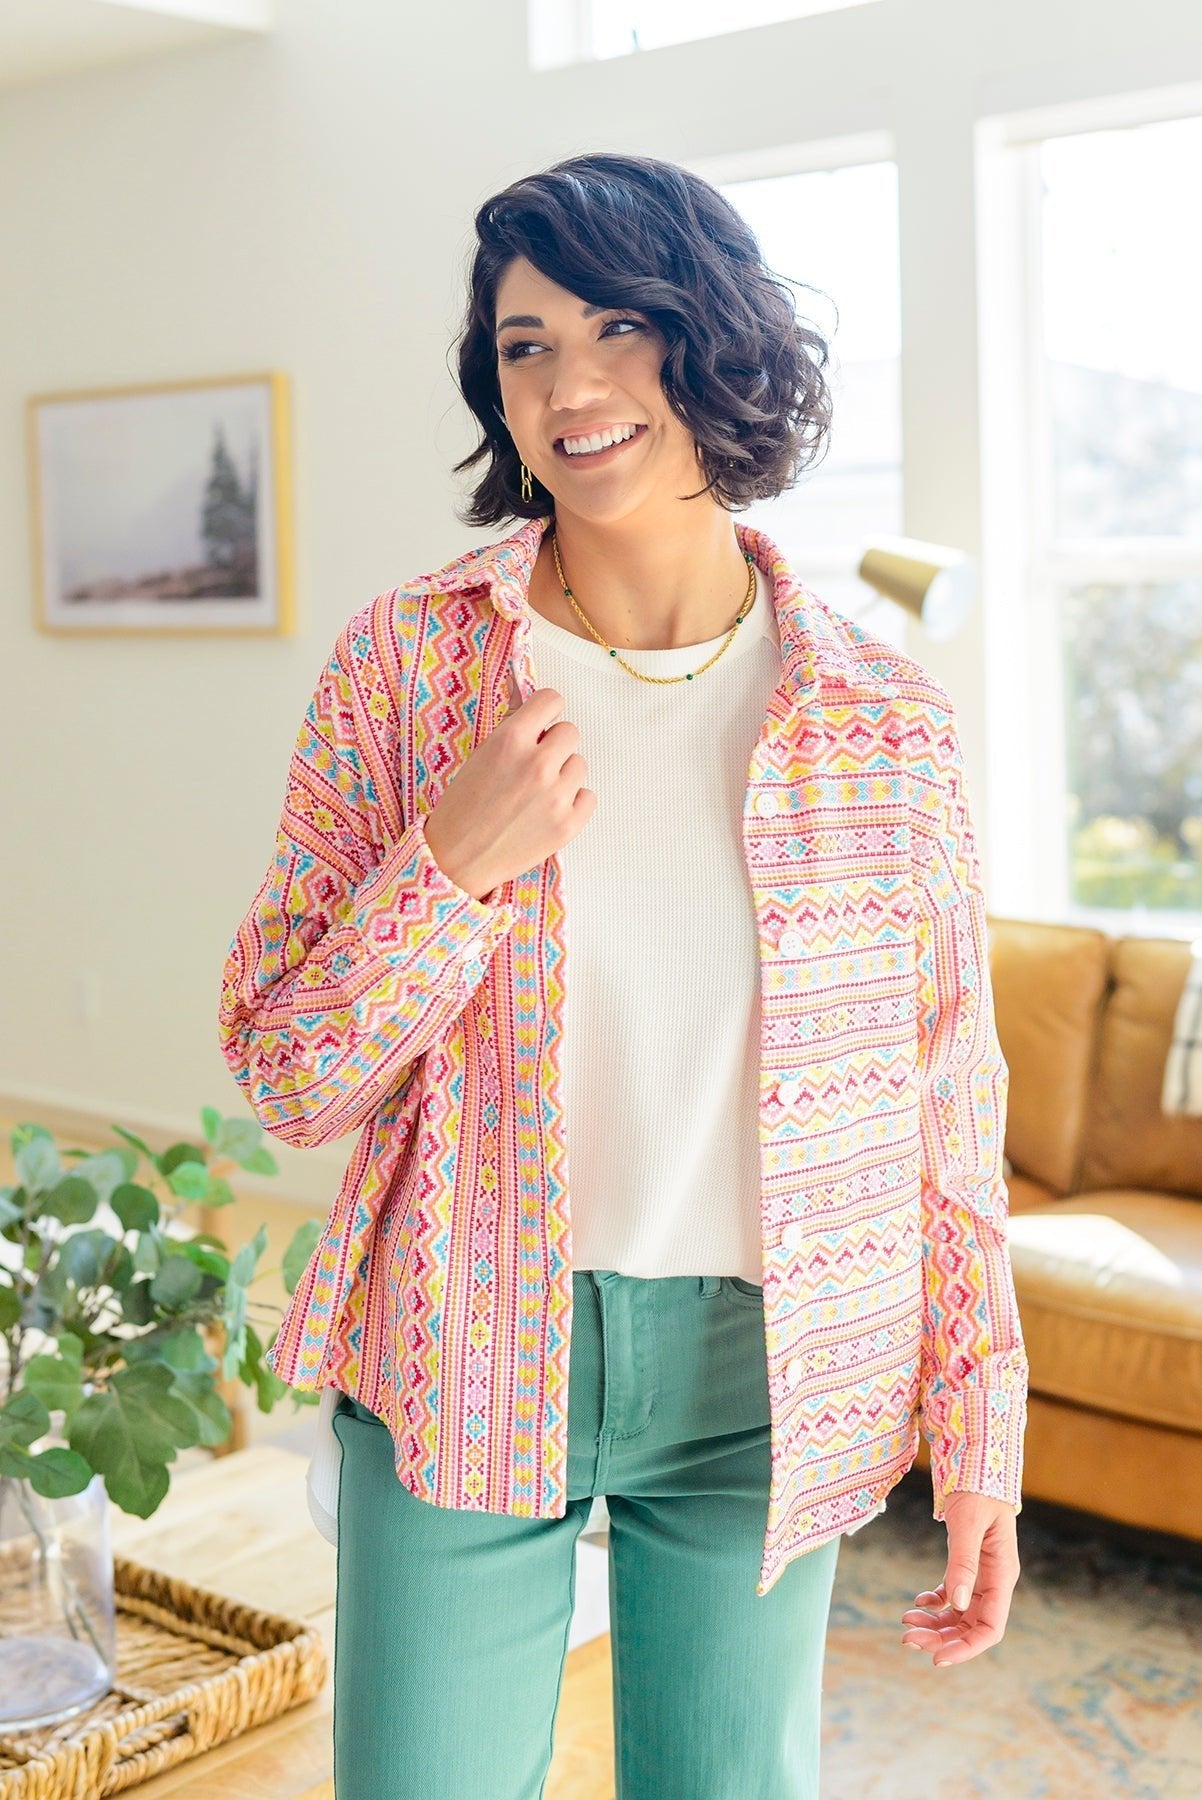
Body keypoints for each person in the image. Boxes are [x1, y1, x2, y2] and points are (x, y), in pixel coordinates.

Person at [217, 150, 1029, 1800]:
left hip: (767, 1372)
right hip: (461, 1335)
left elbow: (945, 1106)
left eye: (618, 328)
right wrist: (448, 869)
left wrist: (979, 1430)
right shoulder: (406, 667)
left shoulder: (882, 721)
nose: (569, 386)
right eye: (524, 345)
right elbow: (288, 1075)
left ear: (712, 340)